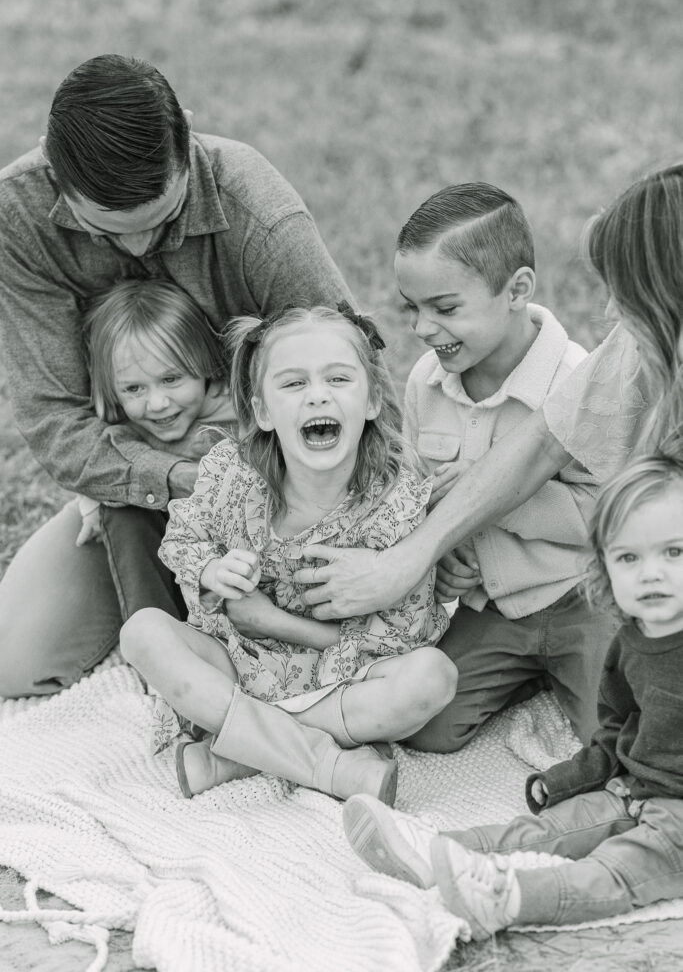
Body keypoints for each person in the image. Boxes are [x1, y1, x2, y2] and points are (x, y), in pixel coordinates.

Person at [0, 53, 353, 698]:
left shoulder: (261, 212)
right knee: (15, 663)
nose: (139, 250)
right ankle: (168, 649)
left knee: (326, 621)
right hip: (133, 479)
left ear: (186, 140)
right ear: (57, 175)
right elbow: (55, 422)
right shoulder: (17, 215)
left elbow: (354, 372)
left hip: (279, 481)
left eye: (161, 222)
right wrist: (186, 481)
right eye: (107, 231)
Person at [293, 163, 683, 632]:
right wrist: (416, 556)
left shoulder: (572, 364)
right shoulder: (633, 348)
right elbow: (543, 442)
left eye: (631, 294)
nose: (611, 312)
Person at [119, 305, 457, 803]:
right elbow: (185, 542)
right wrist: (214, 572)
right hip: (235, 668)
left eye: (338, 379)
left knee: (431, 677)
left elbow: (401, 638)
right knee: (142, 632)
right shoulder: (232, 477)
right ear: (261, 411)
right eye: (293, 384)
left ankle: (234, 753)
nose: (317, 394)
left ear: (371, 400)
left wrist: (274, 622)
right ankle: (323, 765)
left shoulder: (398, 503)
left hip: (340, 681)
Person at [342, 453, 683, 938]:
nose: (651, 573)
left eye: (674, 553)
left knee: (614, 870)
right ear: (605, 569)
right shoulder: (627, 644)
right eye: (630, 557)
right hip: (631, 792)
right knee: (551, 829)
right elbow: (616, 731)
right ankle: (430, 848)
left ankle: (509, 897)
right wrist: (569, 778)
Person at [395, 182, 616, 748]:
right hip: (491, 607)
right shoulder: (426, 381)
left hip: (581, 600)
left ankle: (567, 673)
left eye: (444, 308)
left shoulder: (577, 380)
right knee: (425, 730)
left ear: (516, 289)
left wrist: (495, 498)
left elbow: (606, 513)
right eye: (412, 308)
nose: (423, 328)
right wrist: (442, 557)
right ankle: (525, 674)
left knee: (612, 736)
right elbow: (417, 493)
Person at [75, 278, 236, 552]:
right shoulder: (130, 433)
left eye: (171, 379)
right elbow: (99, 471)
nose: (158, 403)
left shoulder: (245, 410)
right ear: (112, 390)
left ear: (205, 363)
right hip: (187, 564)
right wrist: (91, 509)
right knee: (120, 515)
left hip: (259, 557)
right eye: (134, 388)